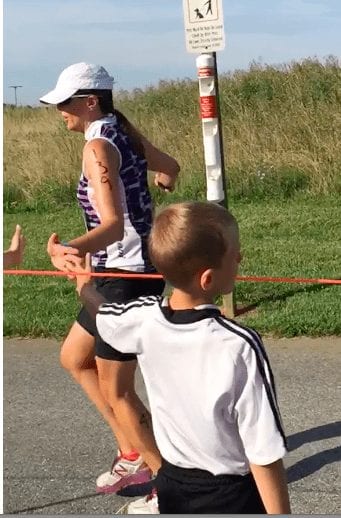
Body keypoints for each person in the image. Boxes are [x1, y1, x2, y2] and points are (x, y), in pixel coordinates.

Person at [72, 201, 291, 514]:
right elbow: (264, 450)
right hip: (229, 494)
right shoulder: (239, 345)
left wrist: (84, 286)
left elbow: (105, 315)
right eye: (234, 255)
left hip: (172, 485)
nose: (240, 258)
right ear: (207, 279)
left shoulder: (143, 320)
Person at [39, 62, 180, 494]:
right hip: (118, 274)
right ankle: (131, 452)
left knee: (119, 391)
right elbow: (171, 166)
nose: (59, 110)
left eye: (65, 102)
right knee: (74, 359)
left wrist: (71, 250)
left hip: (126, 277)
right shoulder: (125, 133)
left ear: (90, 101)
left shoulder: (98, 147)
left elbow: (114, 226)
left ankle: (167, 485)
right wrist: (161, 179)